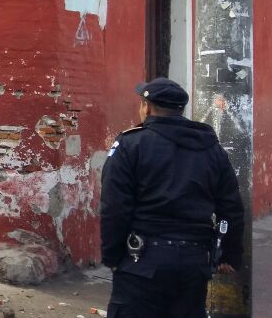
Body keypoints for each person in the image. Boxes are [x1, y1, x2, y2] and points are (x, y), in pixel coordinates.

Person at [100, 77, 244, 317]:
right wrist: (229, 253)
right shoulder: (211, 148)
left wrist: (112, 256)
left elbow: (114, 207)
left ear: (147, 107)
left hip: (141, 261)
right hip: (194, 261)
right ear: (181, 110)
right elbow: (231, 206)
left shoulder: (130, 144)